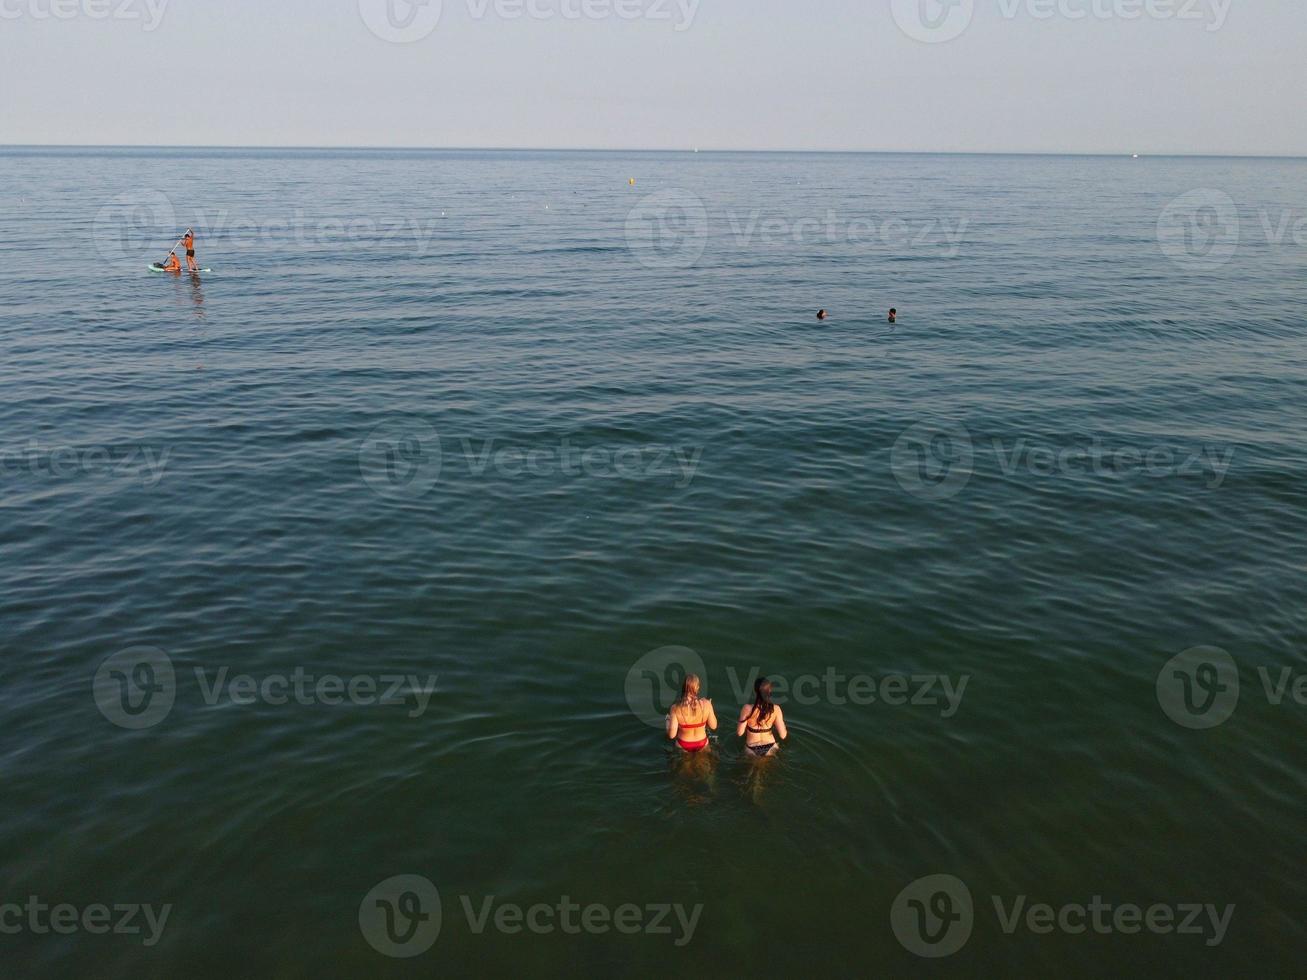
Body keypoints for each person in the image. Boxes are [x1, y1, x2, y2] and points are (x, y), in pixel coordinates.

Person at [666, 674, 717, 753]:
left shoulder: (675, 708)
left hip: (683, 744)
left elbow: (671, 735)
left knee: (685, 765)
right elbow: (713, 726)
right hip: (702, 743)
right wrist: (710, 707)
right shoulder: (707, 704)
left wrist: (667, 720)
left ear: (683, 688)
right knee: (704, 765)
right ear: (697, 687)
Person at [737, 677, 787, 758]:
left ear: (755, 692)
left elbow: (740, 733)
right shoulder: (776, 709)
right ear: (770, 691)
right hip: (771, 747)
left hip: (751, 748)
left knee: (754, 768)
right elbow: (783, 735)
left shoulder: (747, 708)